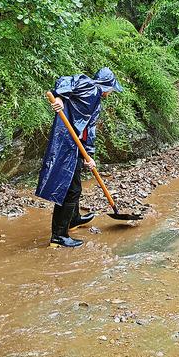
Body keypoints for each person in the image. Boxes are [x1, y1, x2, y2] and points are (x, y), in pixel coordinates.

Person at [35, 67, 123, 248]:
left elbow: (89, 129)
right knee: (70, 189)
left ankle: (73, 219)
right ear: (106, 86)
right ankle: (58, 236)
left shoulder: (97, 101)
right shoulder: (87, 85)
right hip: (65, 140)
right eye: (112, 89)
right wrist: (59, 97)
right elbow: (64, 81)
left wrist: (89, 155)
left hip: (76, 145)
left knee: (75, 186)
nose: (111, 93)